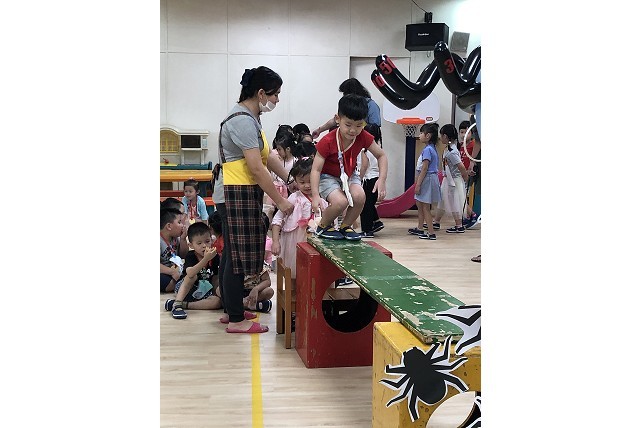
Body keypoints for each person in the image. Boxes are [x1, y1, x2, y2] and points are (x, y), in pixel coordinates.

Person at [216, 65, 294, 334]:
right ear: (261, 93)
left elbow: (267, 157)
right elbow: (257, 168)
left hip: (240, 192)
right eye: (275, 94)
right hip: (234, 194)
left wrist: (290, 179)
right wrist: (280, 201)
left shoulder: (251, 118)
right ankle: (236, 320)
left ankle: (232, 311)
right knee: (237, 257)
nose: (277, 100)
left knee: (232, 255)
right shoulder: (241, 120)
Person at [310, 94, 388, 241]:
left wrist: (382, 179)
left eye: (359, 125)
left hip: (350, 175)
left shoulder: (363, 136)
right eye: (348, 125)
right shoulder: (327, 141)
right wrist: (315, 196)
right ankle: (322, 226)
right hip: (328, 176)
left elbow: (381, 155)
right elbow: (316, 169)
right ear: (337, 119)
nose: (353, 130)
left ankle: (345, 226)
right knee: (341, 202)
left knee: (360, 196)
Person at [272, 155, 327, 284]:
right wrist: (275, 241)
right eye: (302, 182)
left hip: (316, 243)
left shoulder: (322, 199)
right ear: (295, 180)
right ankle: (294, 296)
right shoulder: (294, 199)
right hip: (294, 244)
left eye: (310, 181)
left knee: (315, 275)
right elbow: (277, 219)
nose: (307, 185)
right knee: (294, 274)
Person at [164, 222, 223, 319]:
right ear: (191, 245)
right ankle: (177, 304)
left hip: (202, 290)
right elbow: (190, 273)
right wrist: (205, 259)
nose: (204, 245)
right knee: (192, 276)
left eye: (207, 241)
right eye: (199, 243)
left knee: (217, 302)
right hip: (185, 289)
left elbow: (215, 277)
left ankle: (184, 305)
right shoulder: (191, 255)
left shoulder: (214, 256)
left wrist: (216, 292)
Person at [311, 78, 381, 140]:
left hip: (365, 140)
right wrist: (319, 130)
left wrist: (358, 123)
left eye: (345, 93)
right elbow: (335, 120)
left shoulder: (371, 105)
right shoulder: (348, 105)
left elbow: (374, 128)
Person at [432, 124, 469, 233]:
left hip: (454, 181)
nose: (440, 138)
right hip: (448, 179)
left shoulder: (452, 152)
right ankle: (436, 221)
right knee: (443, 200)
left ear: (446, 136)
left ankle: (459, 225)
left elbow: (461, 167)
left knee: (454, 202)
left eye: (441, 135)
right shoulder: (448, 150)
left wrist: (464, 179)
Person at [412, 123, 441, 240]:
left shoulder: (428, 150)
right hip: (430, 178)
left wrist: (418, 184)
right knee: (422, 205)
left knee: (425, 207)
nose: (419, 135)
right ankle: (421, 228)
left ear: (428, 135)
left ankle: (431, 232)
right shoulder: (432, 148)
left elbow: (424, 168)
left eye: (421, 133)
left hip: (427, 179)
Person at [358, 123, 385, 238]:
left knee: (365, 206)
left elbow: (364, 166)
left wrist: (358, 179)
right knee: (369, 204)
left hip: (368, 180)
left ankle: (367, 230)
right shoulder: (379, 148)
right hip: (377, 179)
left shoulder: (365, 150)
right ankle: (376, 222)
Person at [160, 207, 189, 292]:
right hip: (164, 271)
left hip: (175, 269)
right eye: (179, 222)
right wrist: (171, 272)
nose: (182, 225)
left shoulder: (176, 238)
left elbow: (184, 255)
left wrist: (183, 239)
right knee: (168, 283)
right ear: (169, 226)